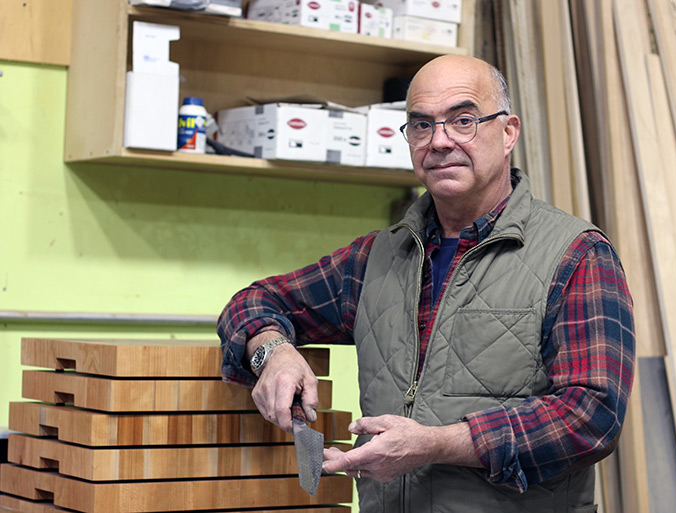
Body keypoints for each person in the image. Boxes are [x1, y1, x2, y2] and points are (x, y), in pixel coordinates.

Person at [217, 55, 635, 512]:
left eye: (463, 120)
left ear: (509, 131)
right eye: (421, 125)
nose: (439, 141)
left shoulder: (576, 255)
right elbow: (254, 301)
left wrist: (437, 444)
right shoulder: (374, 258)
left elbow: (592, 415)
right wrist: (271, 352)